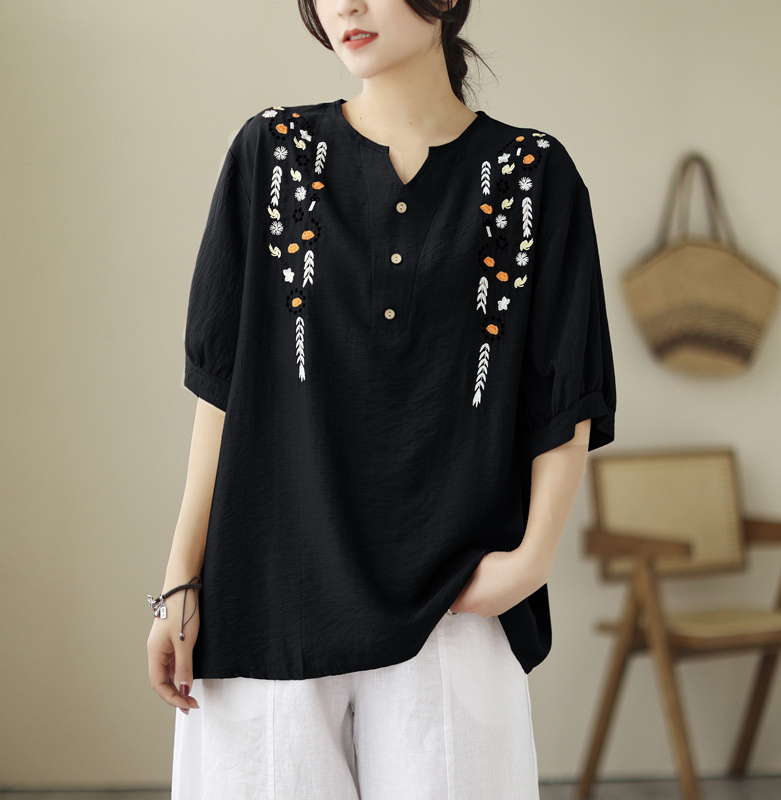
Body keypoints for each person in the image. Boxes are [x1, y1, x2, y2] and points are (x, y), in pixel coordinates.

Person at [146, 0, 616, 797]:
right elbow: (220, 388)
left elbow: (564, 389)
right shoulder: (271, 153)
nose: (345, 6)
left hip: (453, 605)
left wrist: (529, 564)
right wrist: (179, 582)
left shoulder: (535, 174)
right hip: (268, 595)